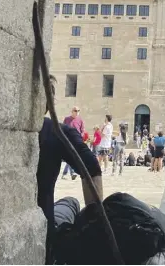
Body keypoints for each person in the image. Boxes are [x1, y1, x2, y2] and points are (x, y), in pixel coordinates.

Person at [36, 76, 103, 264]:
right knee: (69, 204)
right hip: (41, 228)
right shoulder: (58, 131)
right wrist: (94, 223)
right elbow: (92, 168)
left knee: (68, 204)